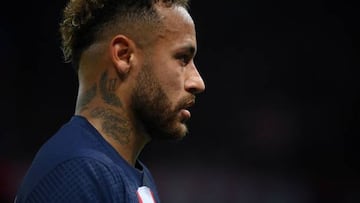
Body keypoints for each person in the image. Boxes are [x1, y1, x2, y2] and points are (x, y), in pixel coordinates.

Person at [15, 0, 205, 202]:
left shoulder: (129, 174)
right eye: (182, 58)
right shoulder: (78, 172)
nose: (198, 82)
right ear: (124, 56)